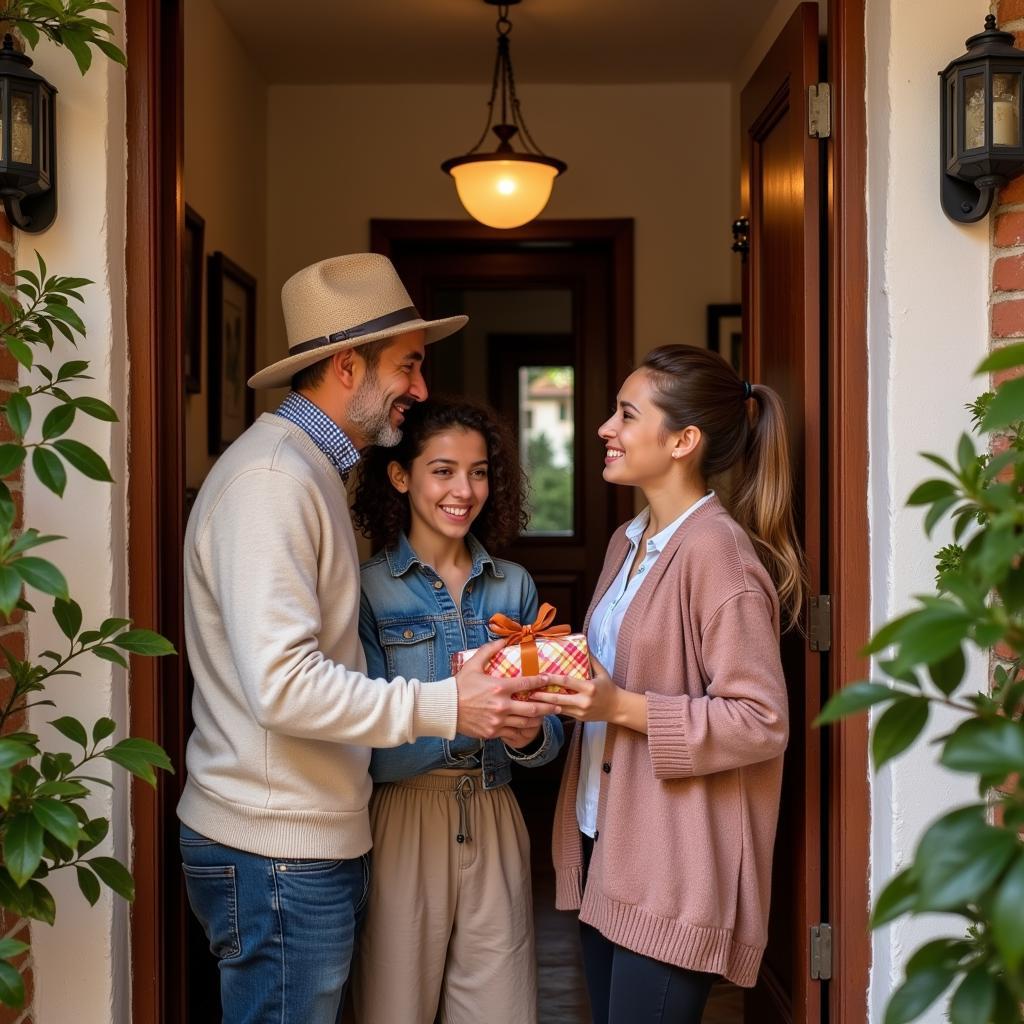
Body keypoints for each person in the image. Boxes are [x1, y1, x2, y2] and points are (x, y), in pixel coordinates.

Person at [177, 253, 553, 1024]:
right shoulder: (274, 482)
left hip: (300, 838)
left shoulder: (309, 473)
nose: (419, 388)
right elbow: (282, 685)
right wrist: (451, 704)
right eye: (408, 365)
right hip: (276, 849)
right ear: (348, 366)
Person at [532, 344, 803, 1024]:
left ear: (682, 440)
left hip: (672, 866)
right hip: (606, 839)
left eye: (627, 414)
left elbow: (761, 720)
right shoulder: (629, 540)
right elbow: (617, 675)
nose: (605, 428)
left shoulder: (718, 556)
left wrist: (620, 706)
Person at [350, 398, 563, 1024]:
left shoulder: (513, 586)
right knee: (394, 1011)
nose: (463, 490)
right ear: (401, 476)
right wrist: (459, 719)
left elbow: (547, 735)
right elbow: (364, 743)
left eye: (478, 472)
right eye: (443, 470)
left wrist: (527, 736)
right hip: (400, 821)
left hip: (495, 813)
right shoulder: (366, 588)